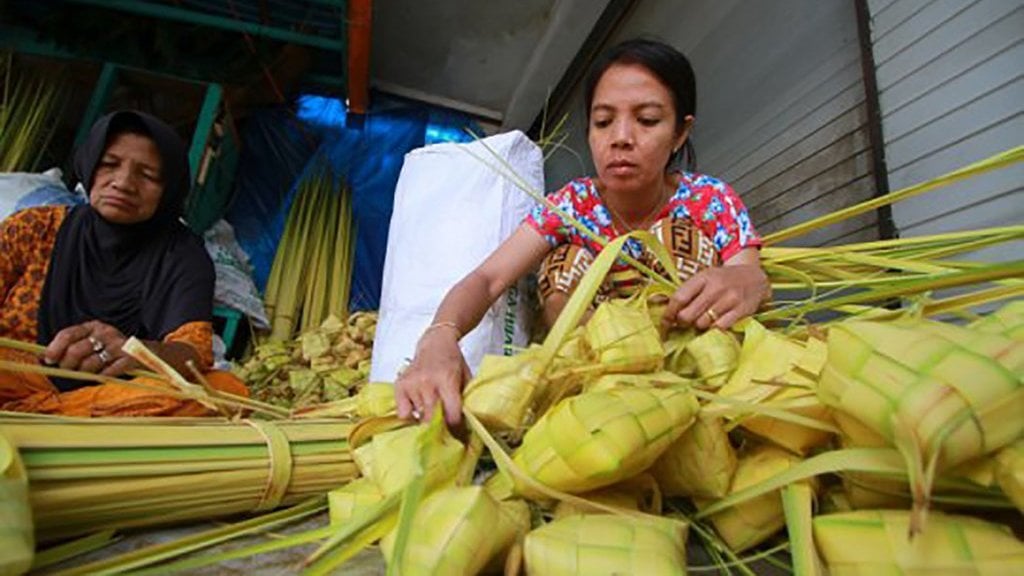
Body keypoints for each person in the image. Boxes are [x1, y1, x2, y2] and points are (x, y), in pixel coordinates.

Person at [395, 38, 770, 426]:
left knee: (682, 240)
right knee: (565, 262)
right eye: (604, 121)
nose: (621, 137)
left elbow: (747, 272)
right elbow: (488, 278)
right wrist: (439, 335)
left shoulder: (708, 199)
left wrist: (745, 278)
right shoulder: (572, 206)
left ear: (679, 133)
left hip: (687, 370)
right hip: (591, 379)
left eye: (647, 120)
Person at [0, 109, 246, 416]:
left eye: (147, 175)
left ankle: (41, 415)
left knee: (226, 391)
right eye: (109, 165)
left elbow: (192, 353)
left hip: (103, 395)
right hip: (13, 376)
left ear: (168, 189)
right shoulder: (35, 227)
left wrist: (138, 351)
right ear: (89, 166)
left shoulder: (182, 257)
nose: (124, 183)